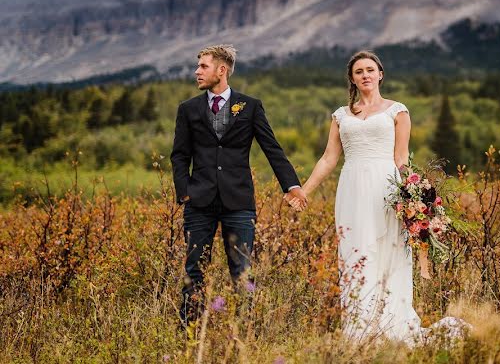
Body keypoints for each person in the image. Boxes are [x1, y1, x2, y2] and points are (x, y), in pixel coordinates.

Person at [287, 50, 466, 342]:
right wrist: (303, 191)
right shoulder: (341, 115)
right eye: (359, 72)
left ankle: (392, 326)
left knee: (388, 250)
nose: (365, 75)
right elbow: (329, 159)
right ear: (352, 79)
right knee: (356, 252)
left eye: (370, 70)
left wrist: (417, 199)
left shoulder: (398, 111)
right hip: (352, 187)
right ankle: (359, 329)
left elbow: (401, 158)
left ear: (380, 74)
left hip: (386, 188)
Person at [171, 44, 307, 326]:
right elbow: (180, 155)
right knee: (194, 270)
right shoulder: (188, 109)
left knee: (242, 271)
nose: (197, 72)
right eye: (198, 67)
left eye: (203, 67)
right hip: (199, 203)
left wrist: (291, 185)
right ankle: (188, 334)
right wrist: (184, 192)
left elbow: (272, 149)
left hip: (239, 203)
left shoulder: (250, 106)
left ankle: (244, 335)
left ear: (222, 70)